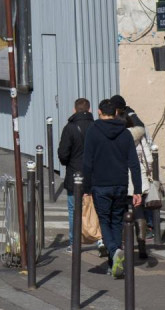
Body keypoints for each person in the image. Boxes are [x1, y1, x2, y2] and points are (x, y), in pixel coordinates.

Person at [83, 98, 143, 279]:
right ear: (116, 112)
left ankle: (114, 250)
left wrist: (86, 188)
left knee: (104, 221)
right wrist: (138, 190)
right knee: (117, 221)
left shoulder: (93, 131)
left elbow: (87, 162)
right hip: (120, 184)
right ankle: (113, 265)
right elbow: (134, 163)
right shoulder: (125, 133)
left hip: (100, 184)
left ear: (100, 112)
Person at [112, 94, 156, 256]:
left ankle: (124, 245)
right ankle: (142, 243)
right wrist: (149, 172)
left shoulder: (118, 136)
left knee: (122, 212)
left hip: (121, 178)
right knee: (139, 211)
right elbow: (149, 157)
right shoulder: (140, 133)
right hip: (139, 178)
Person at [57, 97, 94, 252]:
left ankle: (74, 243)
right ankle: (100, 239)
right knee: (95, 209)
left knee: (74, 210)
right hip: (94, 174)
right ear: (89, 110)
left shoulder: (70, 128)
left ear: (74, 110)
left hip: (75, 173)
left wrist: (69, 163)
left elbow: (63, 153)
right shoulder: (96, 126)